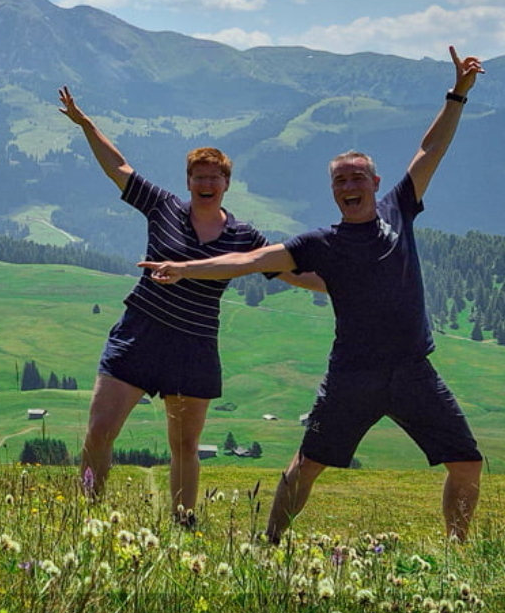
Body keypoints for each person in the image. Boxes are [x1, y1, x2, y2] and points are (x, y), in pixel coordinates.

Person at [138, 47, 486, 542]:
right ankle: (269, 544)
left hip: (413, 370)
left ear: (375, 183)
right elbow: (250, 261)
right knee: (307, 466)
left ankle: (458, 554)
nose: (350, 185)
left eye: (357, 177)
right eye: (341, 180)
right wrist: (185, 267)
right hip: (352, 376)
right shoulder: (320, 244)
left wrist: (457, 94)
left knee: (467, 463)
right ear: (332, 190)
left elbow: (430, 151)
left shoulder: (399, 209)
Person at [58, 86, 324, 527]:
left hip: (194, 347)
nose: (205, 184)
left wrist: (347, 285)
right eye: (198, 177)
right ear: (188, 182)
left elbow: (289, 272)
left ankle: (183, 524)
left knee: (184, 447)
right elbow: (118, 168)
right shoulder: (163, 207)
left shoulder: (244, 236)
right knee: (100, 432)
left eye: (213, 177)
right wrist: (86, 125)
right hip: (139, 335)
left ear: (226, 184)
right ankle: (88, 514)